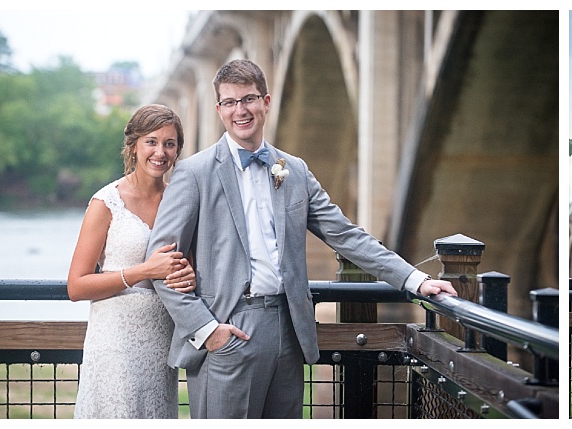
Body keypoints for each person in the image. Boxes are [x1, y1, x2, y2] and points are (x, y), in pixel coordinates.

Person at [145, 59, 458, 419]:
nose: (240, 110)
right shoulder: (193, 173)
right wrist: (207, 329)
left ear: (266, 101)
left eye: (248, 99)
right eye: (230, 102)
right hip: (228, 328)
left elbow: (345, 234)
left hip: (288, 328)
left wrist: (415, 279)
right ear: (219, 110)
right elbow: (161, 262)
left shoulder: (293, 170)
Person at [67, 104, 198, 419]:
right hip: (113, 343)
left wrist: (191, 276)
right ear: (134, 146)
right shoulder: (106, 202)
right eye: (151, 141)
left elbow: (189, 268)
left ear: (178, 149)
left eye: (170, 143)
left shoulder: (180, 201)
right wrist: (144, 271)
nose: (160, 152)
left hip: (161, 342)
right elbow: (76, 285)